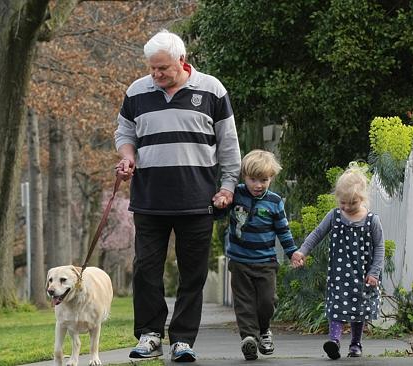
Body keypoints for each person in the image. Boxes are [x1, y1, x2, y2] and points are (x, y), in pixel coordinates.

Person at [114, 29, 241, 363]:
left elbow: (228, 144)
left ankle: (183, 339)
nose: (155, 75)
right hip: (149, 199)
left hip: (197, 199)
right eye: (152, 68)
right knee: (145, 270)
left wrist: (227, 186)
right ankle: (150, 335)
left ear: (182, 62)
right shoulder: (137, 91)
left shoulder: (212, 89)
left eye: (163, 69)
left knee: (193, 272)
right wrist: (127, 156)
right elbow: (125, 132)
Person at [291, 163, 384, 360]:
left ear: (363, 198)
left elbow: (379, 248)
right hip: (339, 274)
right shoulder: (334, 216)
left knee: (359, 309)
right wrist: (302, 251)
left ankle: (355, 344)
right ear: (337, 198)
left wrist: (374, 272)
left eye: (353, 203)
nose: (347, 207)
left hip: (363, 275)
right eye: (343, 203)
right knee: (337, 306)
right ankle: (333, 341)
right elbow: (317, 234)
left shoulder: (372, 221)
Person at [215, 149, 297, 360]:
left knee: (266, 301)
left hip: (266, 261)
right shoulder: (236, 195)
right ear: (244, 177)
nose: (258, 185)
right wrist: (220, 204)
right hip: (240, 260)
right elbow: (219, 214)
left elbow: (283, 231)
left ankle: (264, 331)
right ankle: (249, 338)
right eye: (253, 180)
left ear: (271, 178)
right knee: (244, 302)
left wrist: (292, 253)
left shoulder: (275, 201)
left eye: (264, 180)